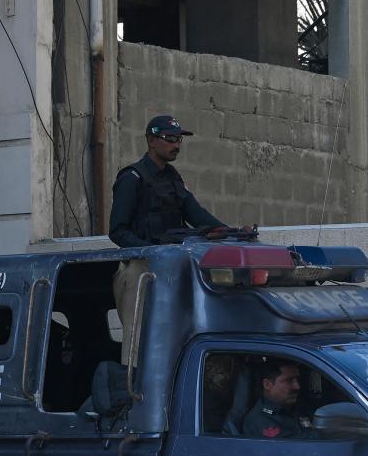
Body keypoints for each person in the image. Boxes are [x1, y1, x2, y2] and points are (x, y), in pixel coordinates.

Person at [108, 114, 230, 367]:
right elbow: (118, 231)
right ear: (151, 140)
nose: (176, 145)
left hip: (171, 266)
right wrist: (152, 251)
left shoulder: (173, 178)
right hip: (139, 268)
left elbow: (197, 214)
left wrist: (229, 233)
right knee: (138, 340)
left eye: (178, 140)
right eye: (169, 139)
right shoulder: (132, 178)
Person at [242, 360, 308, 439]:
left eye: (297, 379)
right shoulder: (260, 420)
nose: (297, 386)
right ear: (267, 384)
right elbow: (290, 448)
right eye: (288, 380)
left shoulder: (295, 408)